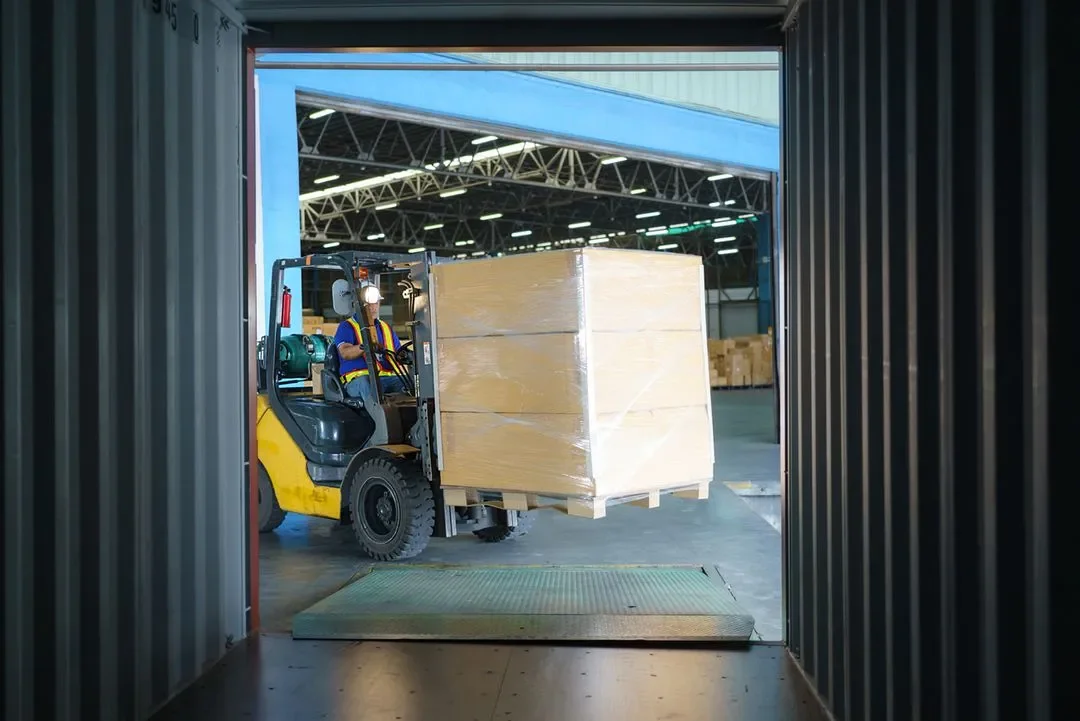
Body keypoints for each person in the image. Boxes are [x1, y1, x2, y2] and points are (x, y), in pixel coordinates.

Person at [333, 284, 408, 404]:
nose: (373, 308)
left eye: (375, 303)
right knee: (367, 383)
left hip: (385, 378)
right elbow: (345, 352)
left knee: (410, 383)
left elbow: (398, 353)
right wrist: (365, 346)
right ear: (358, 305)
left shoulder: (386, 328)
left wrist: (407, 356)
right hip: (357, 380)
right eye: (368, 304)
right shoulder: (347, 326)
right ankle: (377, 414)